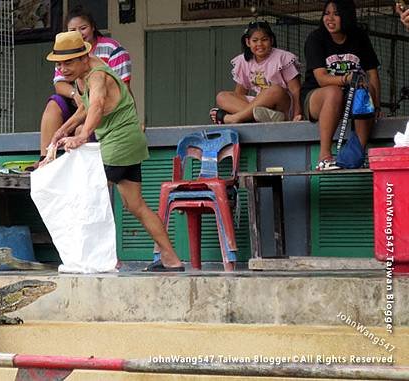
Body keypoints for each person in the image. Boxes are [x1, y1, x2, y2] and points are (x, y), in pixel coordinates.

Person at [43, 31, 184, 272]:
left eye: (68, 62)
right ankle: (171, 258)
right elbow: (85, 109)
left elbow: (96, 106)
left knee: (86, 197)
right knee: (135, 205)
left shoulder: (97, 76)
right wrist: (61, 132)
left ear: (84, 57)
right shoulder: (84, 75)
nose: (63, 69)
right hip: (128, 143)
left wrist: (82, 136)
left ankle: (103, 260)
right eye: (59, 64)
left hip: (119, 144)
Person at [39, 6, 133, 161]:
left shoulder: (107, 55)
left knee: (83, 129)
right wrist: (75, 96)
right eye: (72, 30)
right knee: (54, 103)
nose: (78, 34)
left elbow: (104, 100)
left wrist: (82, 135)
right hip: (79, 103)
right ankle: (45, 157)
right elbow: (61, 86)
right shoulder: (64, 54)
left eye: (83, 28)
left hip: (108, 113)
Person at [300, 0, 381, 171]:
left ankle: (357, 152)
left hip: (350, 97)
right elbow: (322, 78)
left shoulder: (359, 37)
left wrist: (377, 105)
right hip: (317, 97)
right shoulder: (316, 38)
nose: (330, 18)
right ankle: (324, 156)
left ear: (347, 16)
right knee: (333, 92)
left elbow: (372, 74)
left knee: (364, 88)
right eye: (326, 13)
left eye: (336, 14)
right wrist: (347, 78)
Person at [210, 21, 302, 124]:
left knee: (275, 90)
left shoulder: (283, 57)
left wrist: (296, 115)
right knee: (222, 97)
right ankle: (258, 117)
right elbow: (239, 93)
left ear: (271, 40)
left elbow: (296, 90)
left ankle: (235, 118)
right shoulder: (243, 61)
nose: (259, 44)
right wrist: (232, 107)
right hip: (259, 107)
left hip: (282, 106)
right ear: (248, 42)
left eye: (264, 40)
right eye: (255, 40)